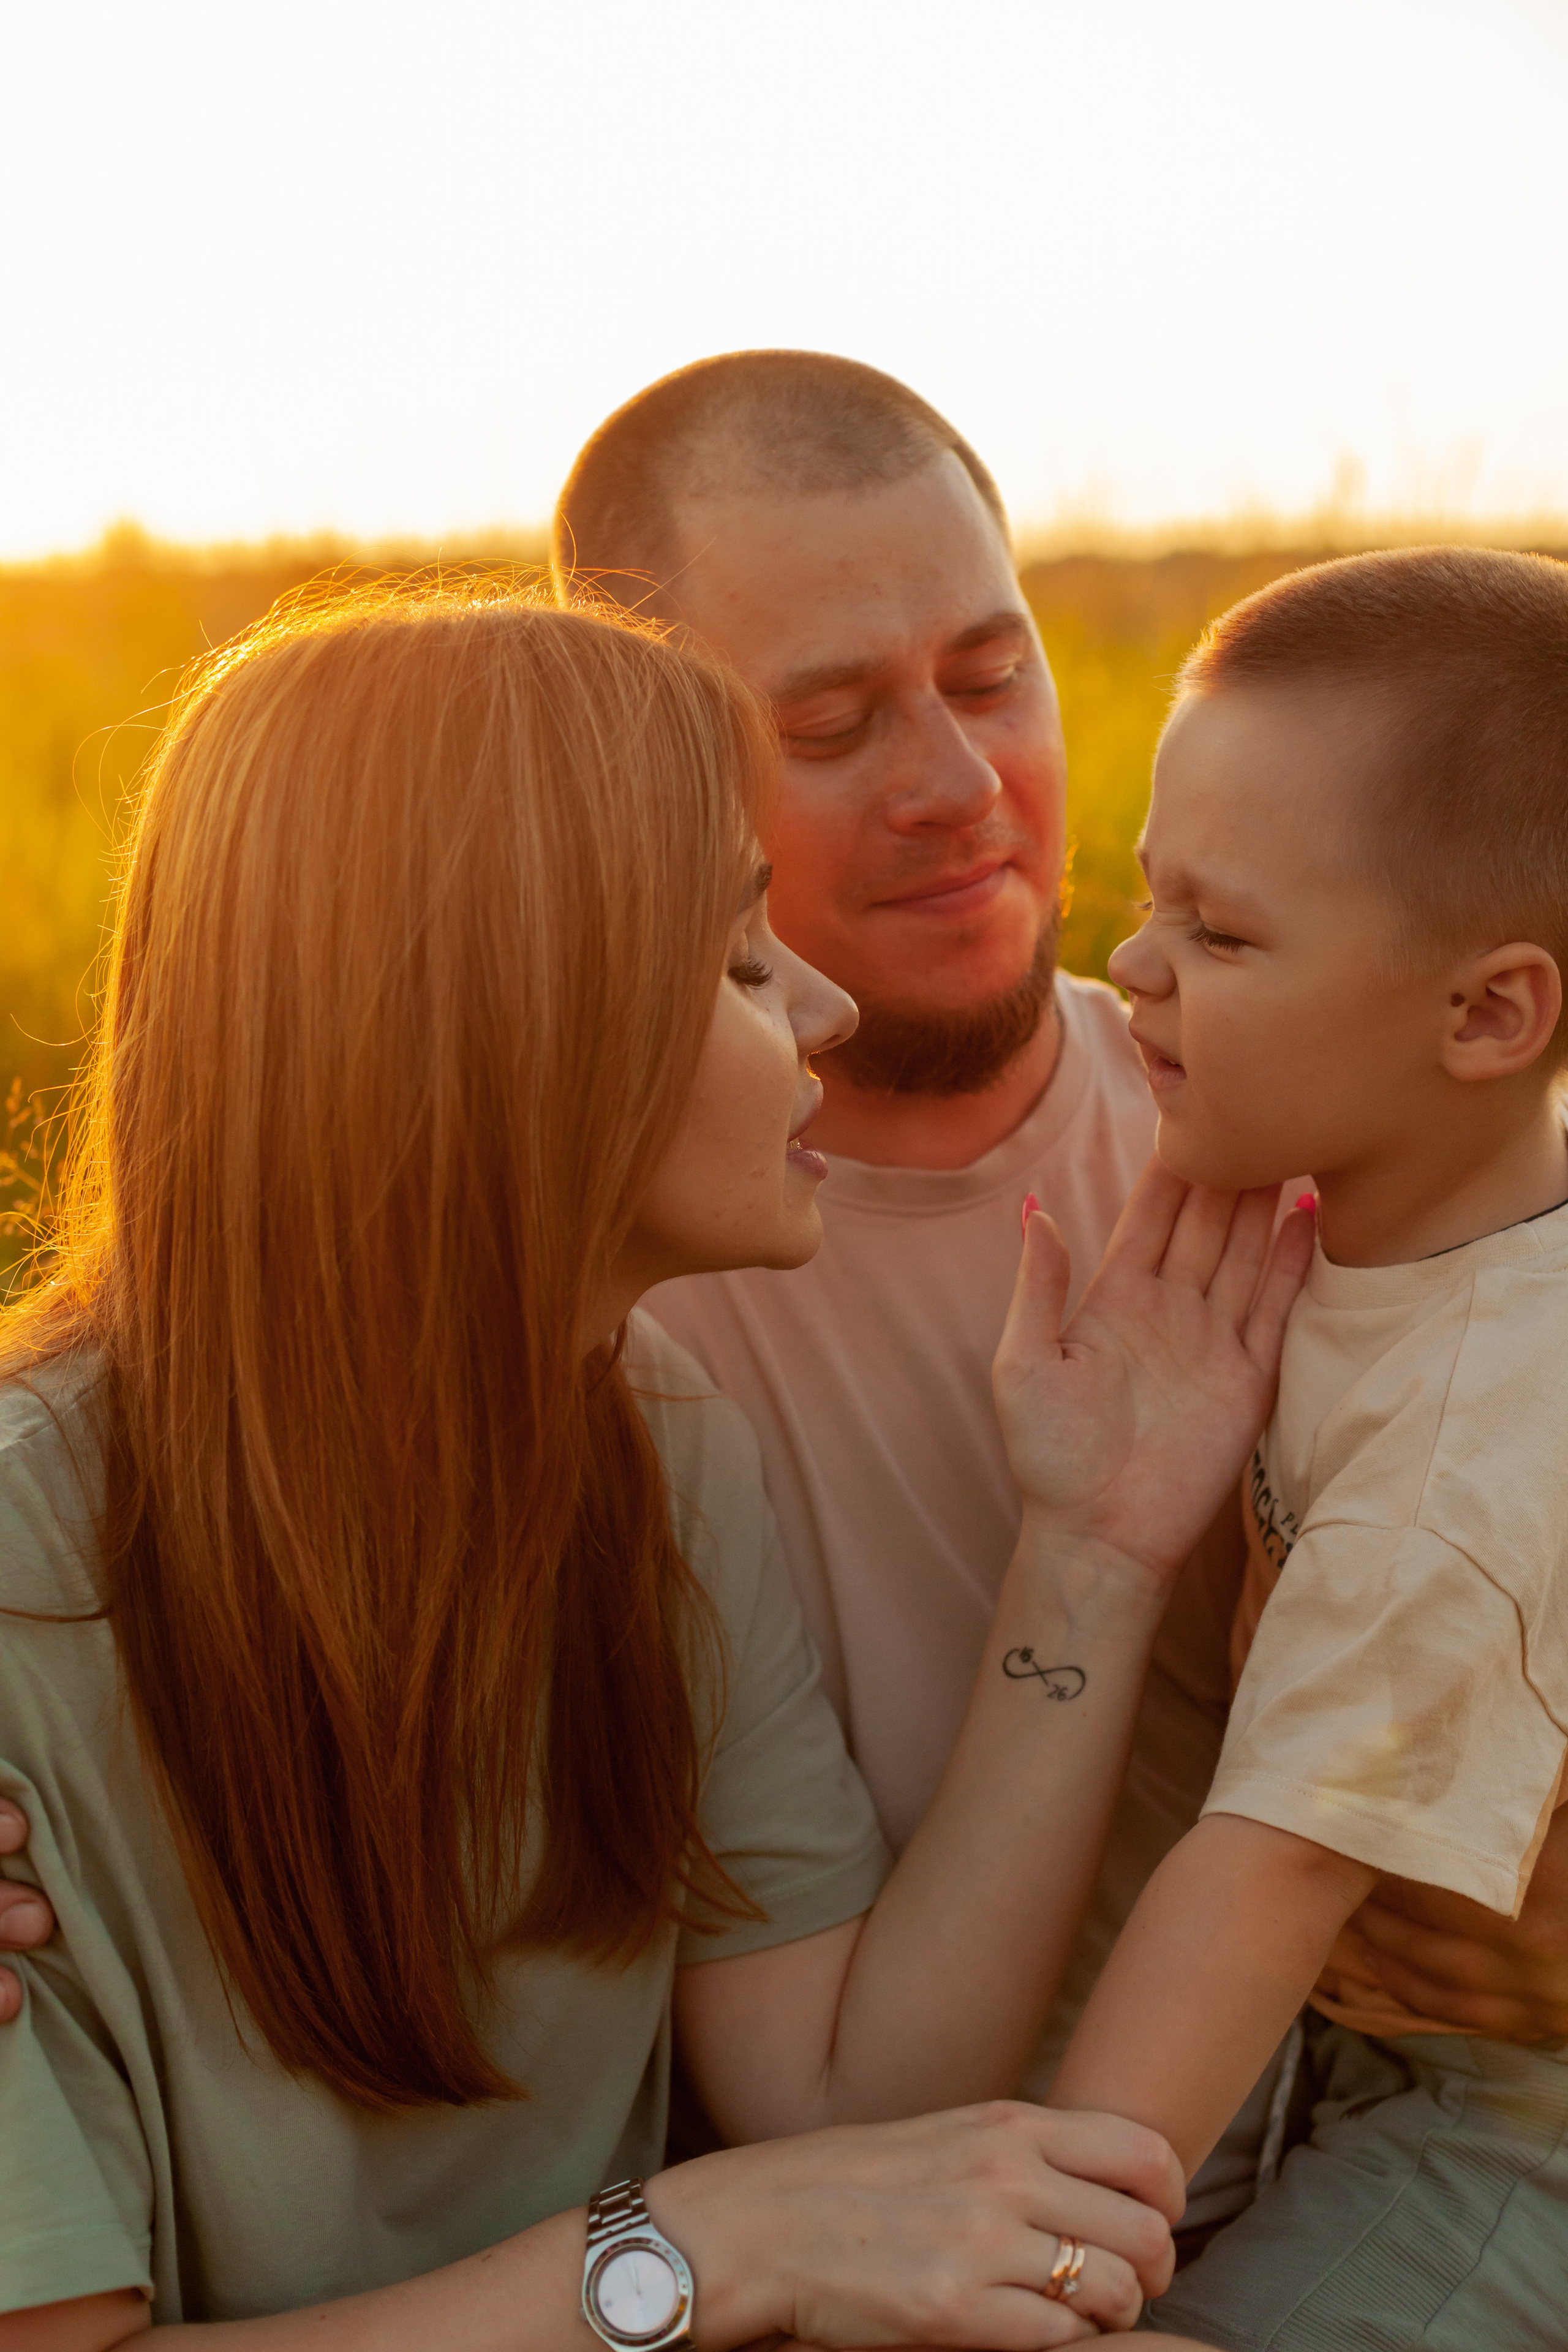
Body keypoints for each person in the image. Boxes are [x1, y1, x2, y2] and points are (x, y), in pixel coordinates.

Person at [0, 580, 1306, 2346]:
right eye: (740, 959)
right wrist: (698, 2251)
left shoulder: (649, 1437)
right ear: (510, 1023)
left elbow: (843, 2097)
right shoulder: (27, 1579)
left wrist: (1100, 1540)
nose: (826, 1015)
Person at [551, 350, 1568, 2234]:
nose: (957, 785)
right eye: (835, 721)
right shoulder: (609, 1299)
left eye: (990, 673)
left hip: (1382, 2165)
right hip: (939, 2236)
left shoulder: (1348, 1116)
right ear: (659, 770)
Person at [1051, 546, 1568, 2347]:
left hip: (1513, 2114)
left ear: (1489, 1016)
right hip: (1343, 2046)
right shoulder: (1355, 1224)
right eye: (1149, 899)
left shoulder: (1483, 1434)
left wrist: (1025, 2261)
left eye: (1225, 935)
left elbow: (1274, 1872)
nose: (1131, 966)